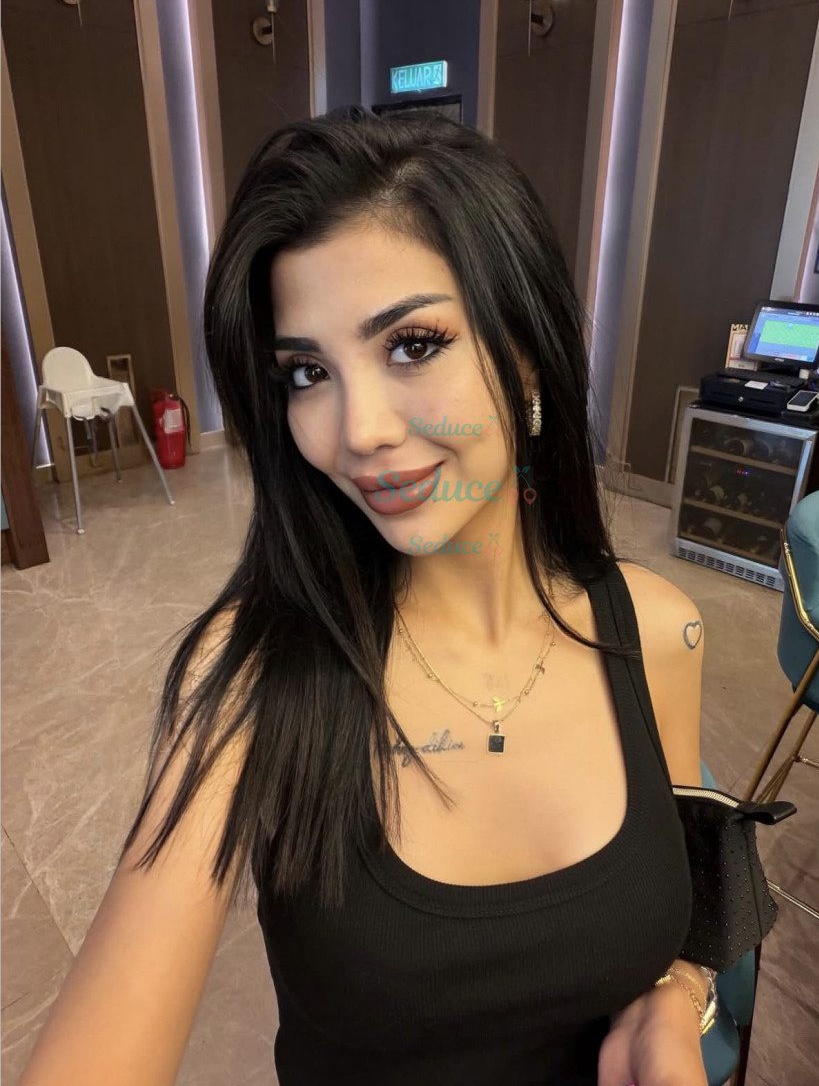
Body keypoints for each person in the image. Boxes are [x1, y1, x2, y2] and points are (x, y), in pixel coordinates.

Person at [21, 107, 715, 1086]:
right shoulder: (258, 673)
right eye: (306, 372)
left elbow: (683, 890)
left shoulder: (657, 630)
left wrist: (674, 1002)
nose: (357, 431)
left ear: (525, 351)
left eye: (412, 345)